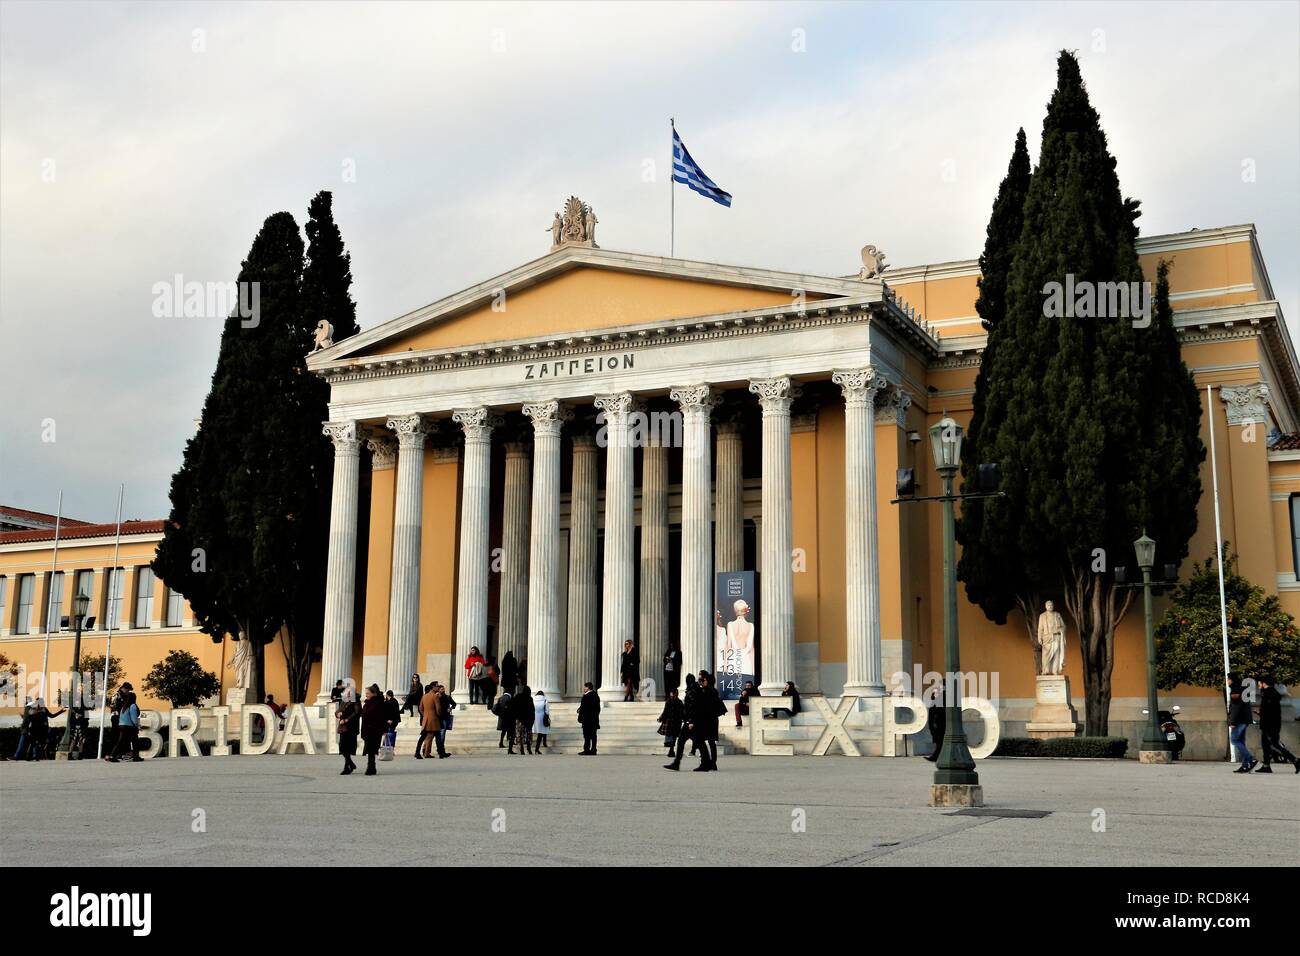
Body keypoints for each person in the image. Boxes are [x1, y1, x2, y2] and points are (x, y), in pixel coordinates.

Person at [1256, 675, 1300, 773]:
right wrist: (1261, 713)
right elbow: (1270, 710)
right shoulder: (1268, 693)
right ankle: (1266, 766)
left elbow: (1271, 711)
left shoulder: (1270, 693)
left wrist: (1262, 713)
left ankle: (1295, 760)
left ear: (1264, 683)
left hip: (1270, 725)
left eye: (1259, 682)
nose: (1258, 684)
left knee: (1274, 744)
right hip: (1268, 723)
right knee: (1266, 745)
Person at [691, 671, 726, 772]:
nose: (701, 681)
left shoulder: (708, 691)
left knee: (705, 741)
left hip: (708, 720)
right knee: (711, 742)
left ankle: (707, 763)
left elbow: (704, 705)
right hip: (711, 719)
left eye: (703, 679)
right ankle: (712, 763)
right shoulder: (712, 690)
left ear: (708, 680)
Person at [1227, 673, 1257, 773]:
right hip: (1245, 719)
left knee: (1234, 740)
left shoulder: (1235, 689)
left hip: (1239, 720)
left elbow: (1236, 708)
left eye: (1228, 679)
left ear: (1232, 680)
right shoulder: (1243, 689)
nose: (1227, 681)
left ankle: (1251, 759)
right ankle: (1245, 766)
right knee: (1241, 741)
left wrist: (1233, 721)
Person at [107, 692, 141, 762]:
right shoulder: (133, 706)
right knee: (135, 741)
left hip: (121, 725)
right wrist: (137, 725)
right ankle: (136, 756)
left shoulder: (124, 706)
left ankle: (112, 756)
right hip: (129, 726)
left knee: (120, 741)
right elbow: (133, 718)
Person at [360, 684, 386, 776]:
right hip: (367, 729)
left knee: (371, 750)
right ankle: (371, 767)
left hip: (374, 729)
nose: (366, 695)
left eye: (367, 693)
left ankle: (371, 767)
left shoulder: (378, 703)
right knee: (370, 750)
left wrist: (384, 729)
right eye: (365, 693)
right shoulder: (367, 703)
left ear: (373, 693)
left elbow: (382, 717)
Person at [336, 688, 360, 775]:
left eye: (350, 692)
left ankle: (347, 767)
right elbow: (338, 711)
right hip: (343, 727)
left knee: (347, 747)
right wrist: (337, 714)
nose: (348, 694)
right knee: (342, 747)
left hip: (351, 728)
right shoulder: (344, 701)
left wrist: (346, 720)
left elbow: (357, 712)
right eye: (347, 692)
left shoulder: (356, 701)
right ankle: (351, 764)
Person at [417, 682, 441, 759]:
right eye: (437, 686)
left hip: (426, 719)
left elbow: (420, 708)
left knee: (424, 737)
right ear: (433, 687)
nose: (438, 688)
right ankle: (440, 752)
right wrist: (438, 714)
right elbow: (438, 709)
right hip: (433, 719)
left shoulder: (424, 696)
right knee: (436, 736)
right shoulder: (435, 696)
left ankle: (423, 752)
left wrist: (425, 714)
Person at [510, 685, 536, 755]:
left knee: (520, 734)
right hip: (528, 719)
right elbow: (532, 710)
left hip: (520, 719)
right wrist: (533, 719)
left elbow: (513, 706)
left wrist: (515, 716)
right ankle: (528, 748)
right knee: (528, 734)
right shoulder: (530, 698)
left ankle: (521, 748)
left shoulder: (518, 697)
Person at [658, 688, 684, 755]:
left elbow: (682, 712)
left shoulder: (677, 702)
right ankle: (671, 749)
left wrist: (683, 718)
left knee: (673, 735)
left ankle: (671, 749)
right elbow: (665, 711)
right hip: (671, 721)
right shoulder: (672, 701)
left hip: (675, 721)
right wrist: (661, 718)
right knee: (672, 735)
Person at [577, 682, 601, 755]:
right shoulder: (596, 695)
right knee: (593, 735)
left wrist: (580, 718)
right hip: (594, 719)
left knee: (587, 735)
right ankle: (593, 750)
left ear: (588, 688)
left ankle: (586, 750)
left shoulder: (586, 696)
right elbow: (598, 709)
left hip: (587, 720)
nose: (584, 689)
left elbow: (583, 709)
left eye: (585, 687)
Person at [925, 680, 946, 762]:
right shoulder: (940, 692)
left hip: (940, 719)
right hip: (937, 718)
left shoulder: (945, 694)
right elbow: (933, 698)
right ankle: (937, 756)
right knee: (939, 738)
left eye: (941, 684)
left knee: (940, 738)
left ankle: (936, 756)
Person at [532, 688, 550, 752]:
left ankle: (529, 746)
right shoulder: (545, 700)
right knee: (541, 733)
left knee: (531, 731)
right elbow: (547, 711)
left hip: (534, 717)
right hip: (542, 717)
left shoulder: (533, 699)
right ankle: (537, 748)